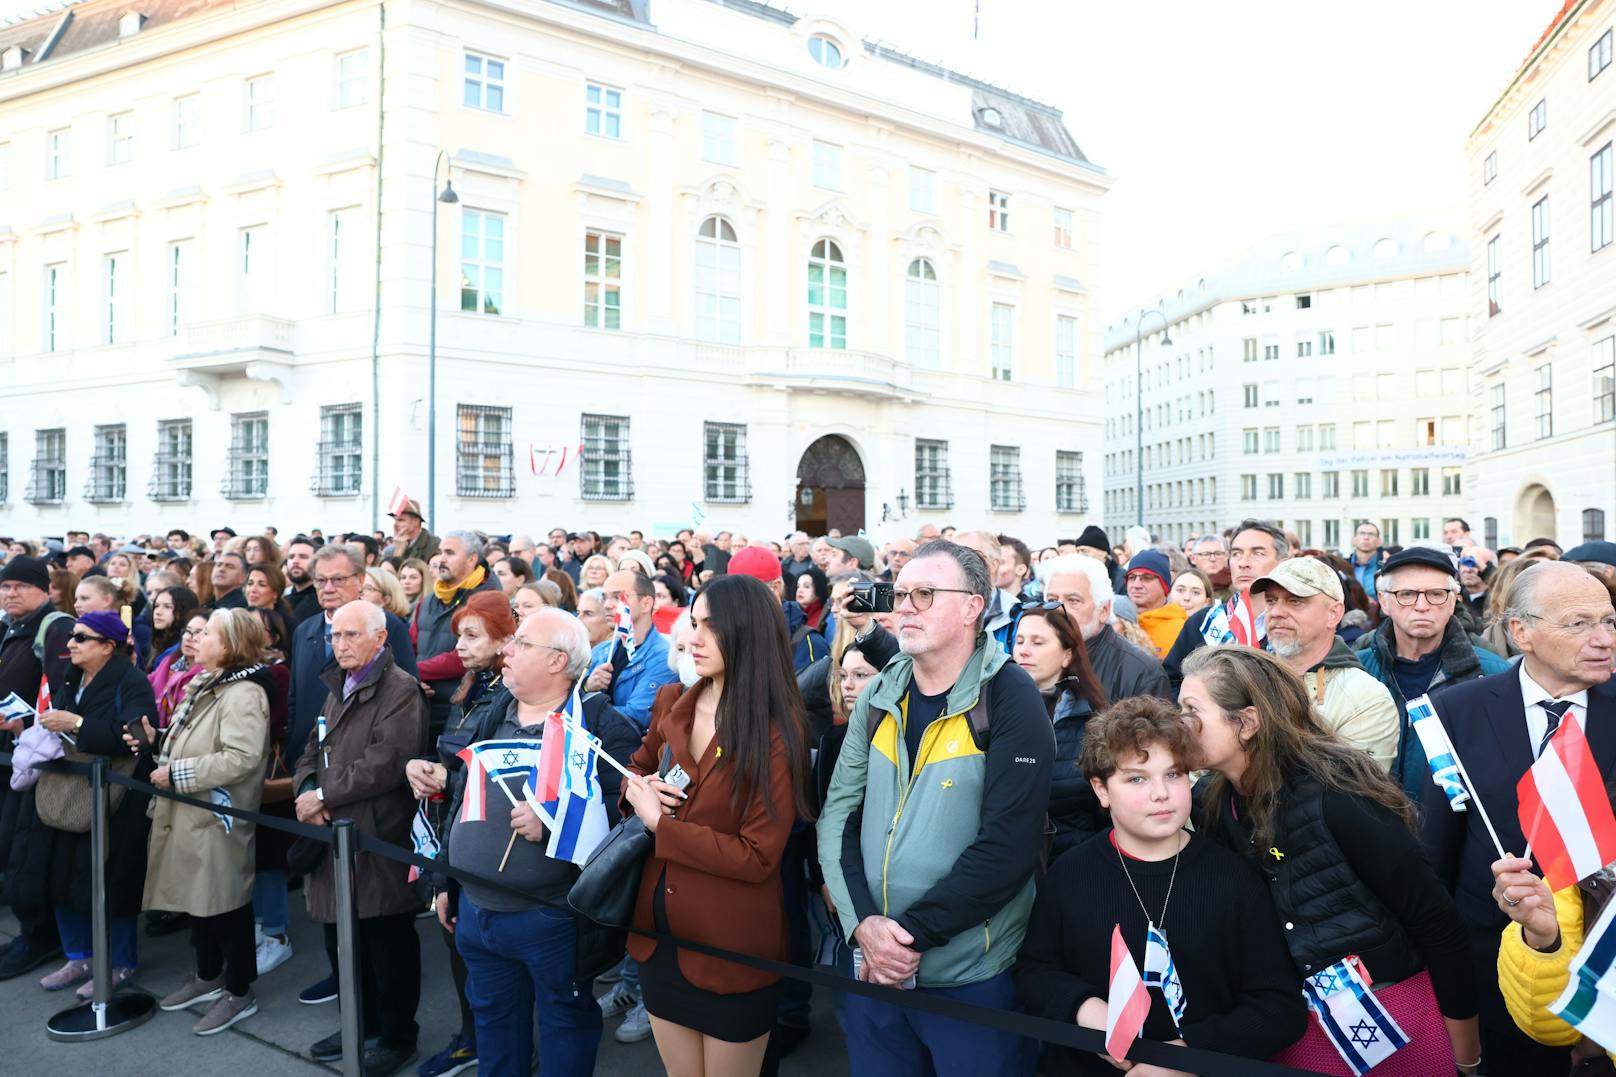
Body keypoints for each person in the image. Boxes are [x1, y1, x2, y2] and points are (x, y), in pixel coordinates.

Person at [1182, 646, 1481, 1075]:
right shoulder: (1210, 804)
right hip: (1291, 1024)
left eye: (1192, 711)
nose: (1180, 726)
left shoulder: (1339, 793)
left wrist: (1466, 1057)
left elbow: (1436, 922)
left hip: (1391, 1011)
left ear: (1246, 722)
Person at [818, 540, 1053, 1075]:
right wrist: (863, 930)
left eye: (924, 594)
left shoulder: (1012, 699)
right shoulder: (880, 694)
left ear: (973, 606)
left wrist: (906, 939)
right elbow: (838, 817)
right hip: (873, 965)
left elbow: (1007, 848)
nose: (903, 606)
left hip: (970, 976)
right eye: (900, 594)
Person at [1013, 696, 1307, 1076]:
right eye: (1137, 778)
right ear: (1101, 790)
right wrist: (1086, 1010)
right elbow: (1036, 971)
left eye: (1174, 774)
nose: (1161, 794)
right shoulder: (1069, 875)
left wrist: (1188, 1056)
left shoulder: (1235, 879)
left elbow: (1278, 1007)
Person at [422, 608, 639, 1077]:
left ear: (558, 661)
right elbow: (463, 799)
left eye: (521, 643)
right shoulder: (495, 710)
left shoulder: (602, 726)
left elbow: (625, 821)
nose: (507, 649)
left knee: (564, 1028)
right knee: (496, 1028)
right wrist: (444, 878)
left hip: (552, 916)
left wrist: (558, 824)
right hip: (476, 910)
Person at [1421, 560, 1616, 1074]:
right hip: (1493, 955)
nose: (1603, 639)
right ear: (1520, 631)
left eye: (1610, 621)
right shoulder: (1454, 711)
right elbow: (1438, 848)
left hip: (1606, 955)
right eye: (1579, 623)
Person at [619, 574, 814, 1075]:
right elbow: (636, 767)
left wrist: (662, 827)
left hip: (731, 947)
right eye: (693, 622)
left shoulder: (777, 730)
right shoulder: (672, 702)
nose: (694, 638)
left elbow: (757, 856)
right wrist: (638, 789)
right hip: (659, 936)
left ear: (748, 632)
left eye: (712, 626)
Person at [294, 600, 429, 1075]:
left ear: (380, 639)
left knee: (385, 943)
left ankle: (396, 1036)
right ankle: (361, 1024)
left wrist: (323, 795)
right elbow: (314, 746)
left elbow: (386, 764)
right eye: (336, 636)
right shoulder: (338, 684)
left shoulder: (400, 689)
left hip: (376, 834)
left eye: (352, 635)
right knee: (340, 941)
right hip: (334, 833)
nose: (341, 644)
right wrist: (307, 788)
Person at [137, 609, 272, 1035]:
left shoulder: (244, 691)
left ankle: (238, 990)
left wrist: (177, 773)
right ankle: (208, 975)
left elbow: (242, 758)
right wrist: (154, 739)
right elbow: (194, 739)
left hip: (217, 815)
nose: (194, 639)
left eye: (207, 633)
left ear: (230, 645)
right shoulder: (209, 682)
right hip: (191, 811)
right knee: (200, 902)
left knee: (225, 903)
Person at [31, 609, 157, 999]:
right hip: (71, 789)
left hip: (117, 796)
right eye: (72, 636)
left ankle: (120, 964)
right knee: (62, 875)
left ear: (108, 646)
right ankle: (79, 956)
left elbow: (136, 740)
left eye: (81, 638)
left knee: (112, 880)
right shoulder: (71, 675)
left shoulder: (132, 682)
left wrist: (78, 725)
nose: (70, 644)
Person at [1354, 547, 1512, 799]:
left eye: (1436, 594)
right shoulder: (1356, 671)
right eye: (1406, 594)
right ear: (1384, 601)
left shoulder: (1492, 673)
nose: (1421, 606)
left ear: (1453, 601)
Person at [0, 556, 74, 981]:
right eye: (5, 587)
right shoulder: (13, 626)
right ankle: (33, 934)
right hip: (15, 754)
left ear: (43, 590)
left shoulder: (55, 627)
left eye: (19, 587)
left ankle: (38, 937)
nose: (10, 593)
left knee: (26, 853)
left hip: (39, 757)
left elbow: (61, 696)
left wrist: (25, 722)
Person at [1013, 603, 1108, 858]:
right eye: (1019, 640)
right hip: (1008, 861)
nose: (1023, 651)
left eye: (1037, 642)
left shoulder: (1094, 723)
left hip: (1073, 861)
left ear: (1067, 655)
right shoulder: (991, 710)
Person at [1163, 520, 1289, 687]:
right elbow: (1170, 683)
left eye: (1257, 553)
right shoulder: (1202, 622)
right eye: (1236, 553)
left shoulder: (1293, 624)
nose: (1243, 562)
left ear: (1283, 563)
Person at [1037, 554, 1171, 703]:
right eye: (1051, 600)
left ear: (1104, 610)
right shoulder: (1030, 656)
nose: (1059, 610)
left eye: (1073, 600)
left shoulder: (1141, 671)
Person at [413, 531, 504, 733]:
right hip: (422, 702)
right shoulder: (428, 601)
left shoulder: (488, 599)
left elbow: (463, 656)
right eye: (440, 552)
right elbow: (412, 642)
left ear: (472, 559)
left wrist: (414, 671)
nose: (441, 559)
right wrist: (412, 678)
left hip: (463, 708)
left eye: (450, 553)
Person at [726, 546, 828, 673]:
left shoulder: (809, 644)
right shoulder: (728, 637)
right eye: (732, 594)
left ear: (775, 587)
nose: (737, 602)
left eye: (745, 593)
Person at [1122, 549, 1186, 659]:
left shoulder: (1181, 629)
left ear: (1164, 586)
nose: (1136, 585)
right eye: (1132, 578)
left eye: (1147, 578)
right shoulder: (1115, 622)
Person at [147, 585, 201, 673]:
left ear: (183, 610)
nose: (158, 612)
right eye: (156, 606)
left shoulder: (185, 648)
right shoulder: (159, 642)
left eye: (167, 607)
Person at [281, 536, 321, 628]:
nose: (295, 561)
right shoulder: (282, 602)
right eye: (291, 557)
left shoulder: (323, 601)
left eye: (303, 557)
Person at [389, 498, 440, 563]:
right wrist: (397, 552)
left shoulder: (434, 545)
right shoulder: (390, 550)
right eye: (395, 520)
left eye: (401, 520)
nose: (395, 525)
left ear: (416, 521)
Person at [794, 566, 830, 631]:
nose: (800, 590)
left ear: (818, 590)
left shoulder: (821, 616)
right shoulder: (793, 612)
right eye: (798, 586)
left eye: (806, 586)